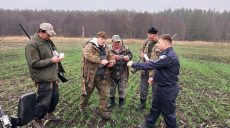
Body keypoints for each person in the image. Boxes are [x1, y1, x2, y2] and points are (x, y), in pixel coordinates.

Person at [127, 34, 180, 128]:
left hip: (167, 90)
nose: (157, 44)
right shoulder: (164, 54)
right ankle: (149, 124)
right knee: (155, 108)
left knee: (168, 113)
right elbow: (161, 69)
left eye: (159, 43)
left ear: (165, 43)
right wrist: (154, 78)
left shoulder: (169, 56)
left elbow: (151, 65)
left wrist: (134, 64)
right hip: (160, 87)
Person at [25, 23, 63, 128]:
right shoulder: (32, 44)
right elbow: (34, 63)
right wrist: (52, 60)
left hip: (52, 75)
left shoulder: (47, 41)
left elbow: (52, 54)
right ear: (41, 31)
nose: (50, 36)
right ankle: (37, 120)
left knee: (54, 98)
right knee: (43, 101)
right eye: (48, 34)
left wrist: (56, 59)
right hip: (42, 78)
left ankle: (50, 115)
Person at [80, 31, 115, 120]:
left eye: (105, 39)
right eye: (102, 39)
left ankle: (102, 111)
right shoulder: (90, 45)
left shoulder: (106, 47)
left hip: (102, 75)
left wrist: (112, 62)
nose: (103, 41)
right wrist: (100, 60)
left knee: (104, 94)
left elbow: (111, 56)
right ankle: (82, 107)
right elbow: (87, 55)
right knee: (87, 93)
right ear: (97, 38)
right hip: (91, 75)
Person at [136, 27, 160, 111]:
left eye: (152, 36)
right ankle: (142, 104)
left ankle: (155, 107)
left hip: (155, 72)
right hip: (144, 70)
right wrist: (141, 55)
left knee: (155, 91)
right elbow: (139, 51)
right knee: (143, 89)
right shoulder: (146, 42)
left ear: (156, 35)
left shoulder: (161, 44)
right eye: (149, 36)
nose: (150, 38)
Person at [107, 35, 133, 110]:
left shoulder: (125, 48)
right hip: (112, 72)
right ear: (112, 41)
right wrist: (113, 57)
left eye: (119, 42)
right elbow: (104, 56)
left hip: (123, 72)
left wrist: (128, 57)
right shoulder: (108, 48)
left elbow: (131, 54)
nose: (117, 43)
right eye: (116, 42)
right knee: (111, 89)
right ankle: (112, 102)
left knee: (122, 89)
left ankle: (121, 103)